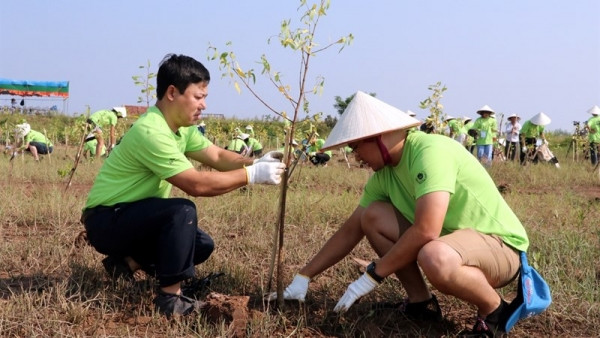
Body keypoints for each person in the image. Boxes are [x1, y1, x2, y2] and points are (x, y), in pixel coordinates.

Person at [270, 91, 530, 337]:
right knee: (372, 216)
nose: (357, 156)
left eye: (356, 147)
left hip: (499, 247)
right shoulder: (384, 175)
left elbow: (427, 230)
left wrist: (372, 275)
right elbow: (350, 231)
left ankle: (494, 312)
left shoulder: (429, 152)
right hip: (453, 243)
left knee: (434, 254)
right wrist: (304, 276)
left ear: (379, 137)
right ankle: (421, 303)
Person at [80, 54, 285, 317]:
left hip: (131, 217)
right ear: (172, 92)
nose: (204, 105)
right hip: (106, 220)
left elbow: (218, 156)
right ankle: (170, 299)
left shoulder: (181, 128)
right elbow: (197, 185)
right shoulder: (151, 131)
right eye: (199, 96)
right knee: (182, 211)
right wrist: (252, 175)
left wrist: (255, 161)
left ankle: (126, 264)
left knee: (200, 245)